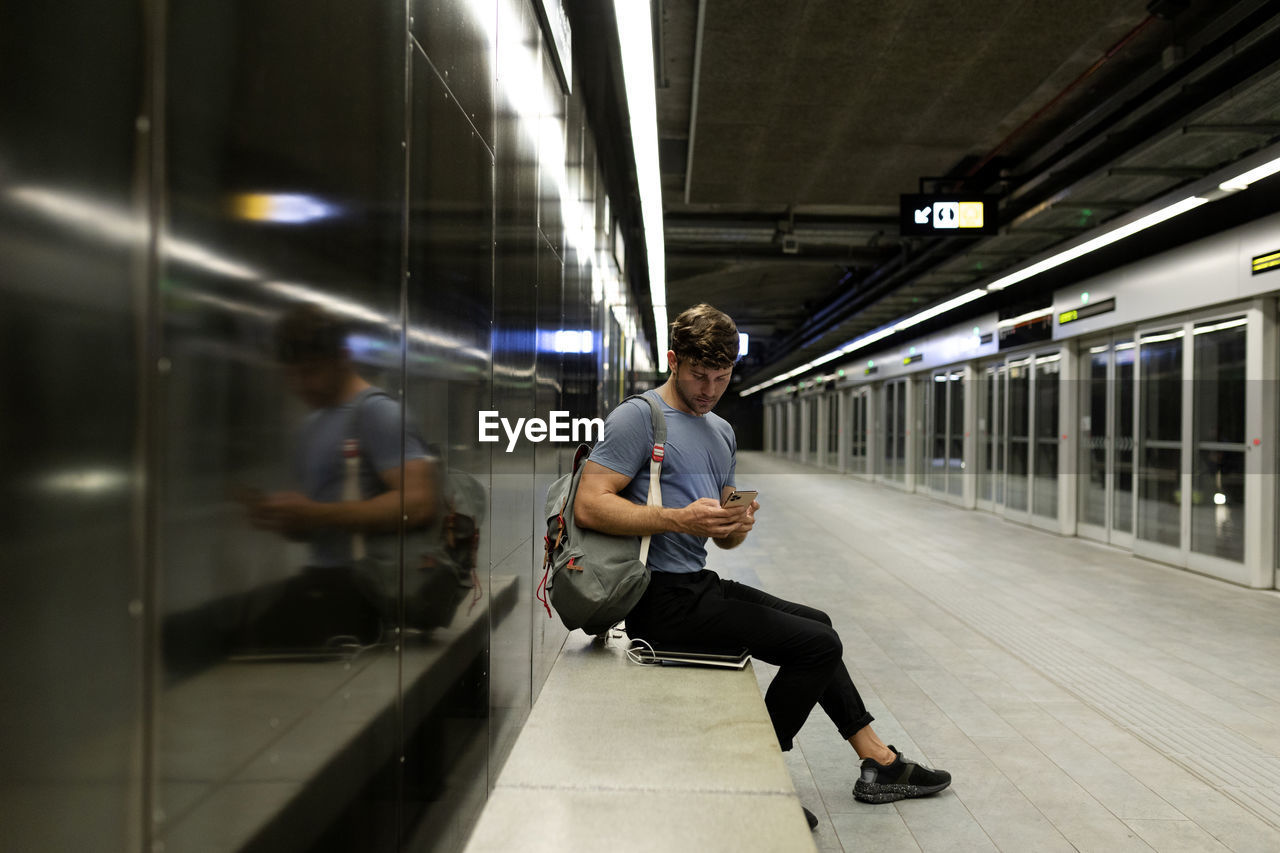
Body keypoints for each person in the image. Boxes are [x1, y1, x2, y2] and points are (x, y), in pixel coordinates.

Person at [573, 303, 951, 820]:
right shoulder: (639, 417)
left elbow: (723, 539)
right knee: (817, 646)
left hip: (697, 583)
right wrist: (679, 519)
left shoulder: (722, 432)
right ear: (673, 361)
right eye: (698, 375)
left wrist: (735, 528)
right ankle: (750, 779)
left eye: (721, 378)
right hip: (655, 599)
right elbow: (590, 503)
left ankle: (877, 759)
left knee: (817, 624)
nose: (708, 389)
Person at [244, 304, 439, 645]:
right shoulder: (312, 424)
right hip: (324, 577)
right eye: (293, 374)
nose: (302, 384)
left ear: (343, 357)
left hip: (364, 589)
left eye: (313, 371)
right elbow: (324, 522)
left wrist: (316, 514)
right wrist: (291, 519)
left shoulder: (377, 414)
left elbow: (420, 503)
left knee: (235, 636)